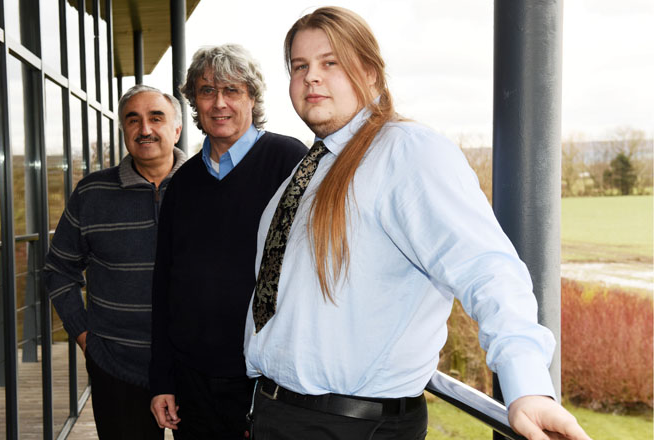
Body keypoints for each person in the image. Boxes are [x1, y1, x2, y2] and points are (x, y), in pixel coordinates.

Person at [244, 7, 592, 440]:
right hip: (281, 414)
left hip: (350, 426)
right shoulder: (308, 172)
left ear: (370, 73)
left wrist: (528, 386)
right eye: (300, 66)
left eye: (330, 62)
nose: (312, 76)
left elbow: (488, 267)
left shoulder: (407, 153)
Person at [149, 44, 308, 439]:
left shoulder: (290, 162)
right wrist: (161, 379)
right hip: (192, 383)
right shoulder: (182, 183)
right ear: (194, 103)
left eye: (232, 91)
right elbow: (163, 284)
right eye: (206, 91)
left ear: (252, 99)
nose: (219, 103)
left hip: (264, 382)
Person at [43, 84, 186, 439]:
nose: (145, 129)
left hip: (194, 366)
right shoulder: (92, 193)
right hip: (116, 367)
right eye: (133, 120)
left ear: (177, 129)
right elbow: (58, 270)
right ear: (123, 130)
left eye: (156, 118)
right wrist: (84, 337)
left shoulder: (206, 185)